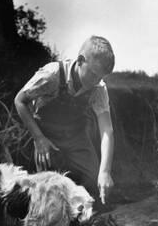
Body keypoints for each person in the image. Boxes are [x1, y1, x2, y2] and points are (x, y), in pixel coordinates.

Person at [14, 35, 116, 206]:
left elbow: (107, 131)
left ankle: (83, 224)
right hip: (48, 137)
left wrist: (105, 171)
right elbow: (19, 101)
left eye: (100, 77)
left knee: (93, 183)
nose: (95, 81)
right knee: (49, 191)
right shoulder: (52, 74)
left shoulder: (98, 88)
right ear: (81, 60)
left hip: (77, 137)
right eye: (92, 74)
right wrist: (39, 138)